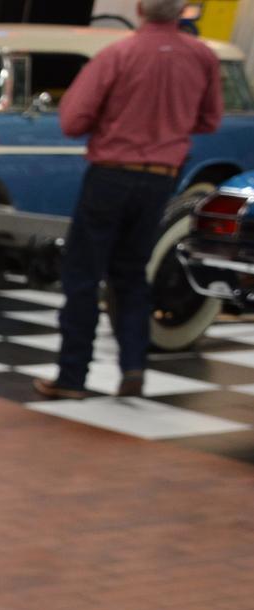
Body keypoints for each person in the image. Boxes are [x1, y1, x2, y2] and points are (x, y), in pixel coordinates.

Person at [33, 0, 221, 400]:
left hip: (111, 175)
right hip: (160, 180)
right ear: (182, 11)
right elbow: (209, 120)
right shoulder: (202, 57)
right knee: (132, 274)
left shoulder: (119, 53)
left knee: (83, 274)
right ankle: (133, 366)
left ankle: (72, 375)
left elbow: (72, 121)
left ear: (139, 9)